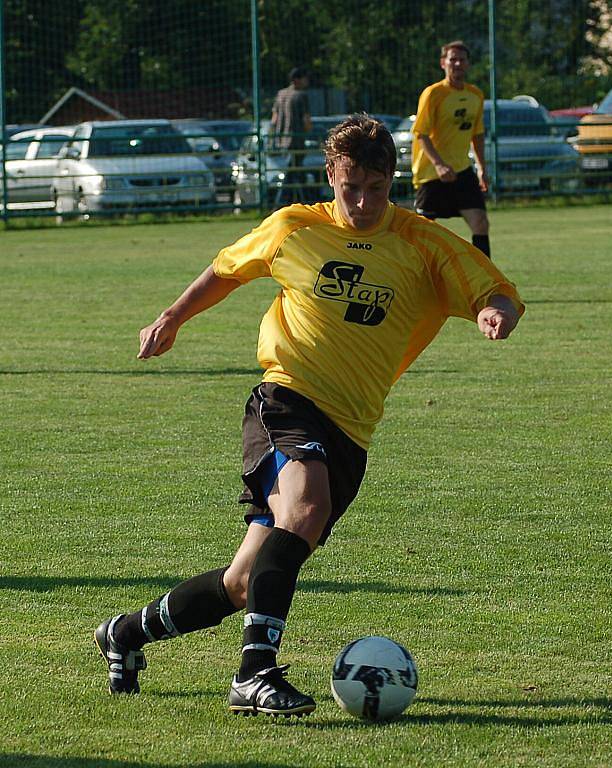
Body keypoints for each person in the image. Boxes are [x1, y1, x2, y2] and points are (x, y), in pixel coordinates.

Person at [94, 114, 524, 718]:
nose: (364, 201)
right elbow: (226, 269)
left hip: (353, 428)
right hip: (287, 399)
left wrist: (495, 312)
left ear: (392, 181)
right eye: (351, 187)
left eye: (377, 188)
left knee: (245, 583)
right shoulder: (295, 227)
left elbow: (494, 286)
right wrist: (171, 317)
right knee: (306, 507)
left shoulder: (422, 243)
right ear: (331, 176)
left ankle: (126, 634)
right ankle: (255, 674)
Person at [412, 40, 491, 258]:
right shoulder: (433, 94)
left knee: (480, 222)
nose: (457, 64)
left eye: (461, 60)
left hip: (462, 170)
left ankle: (484, 277)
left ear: (468, 64)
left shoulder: (476, 94)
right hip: (432, 171)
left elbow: (477, 134)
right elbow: (421, 133)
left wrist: (482, 168)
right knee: (423, 230)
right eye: (452, 59)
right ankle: (416, 273)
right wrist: (438, 164)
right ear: (443, 63)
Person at [271, 66, 312, 203]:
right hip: (296, 140)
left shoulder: (280, 94)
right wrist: (310, 132)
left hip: (282, 140)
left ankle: (305, 202)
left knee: (297, 173)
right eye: (304, 78)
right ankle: (279, 203)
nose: (307, 81)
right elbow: (306, 120)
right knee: (292, 173)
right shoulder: (301, 96)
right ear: (297, 80)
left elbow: (274, 119)